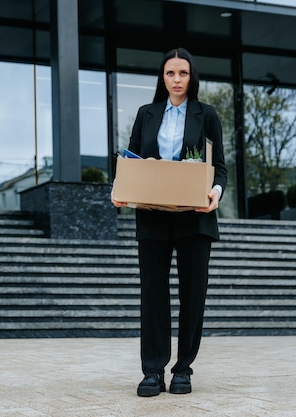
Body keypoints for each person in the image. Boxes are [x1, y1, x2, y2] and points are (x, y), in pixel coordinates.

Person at [111, 47, 227, 397]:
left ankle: (183, 369)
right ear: (162, 78)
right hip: (152, 217)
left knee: (193, 296)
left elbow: (219, 165)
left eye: (183, 73)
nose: (176, 80)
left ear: (192, 77)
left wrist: (215, 193)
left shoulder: (207, 115)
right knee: (153, 296)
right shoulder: (146, 114)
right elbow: (129, 159)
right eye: (170, 74)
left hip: (195, 218)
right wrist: (119, 189)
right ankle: (152, 371)